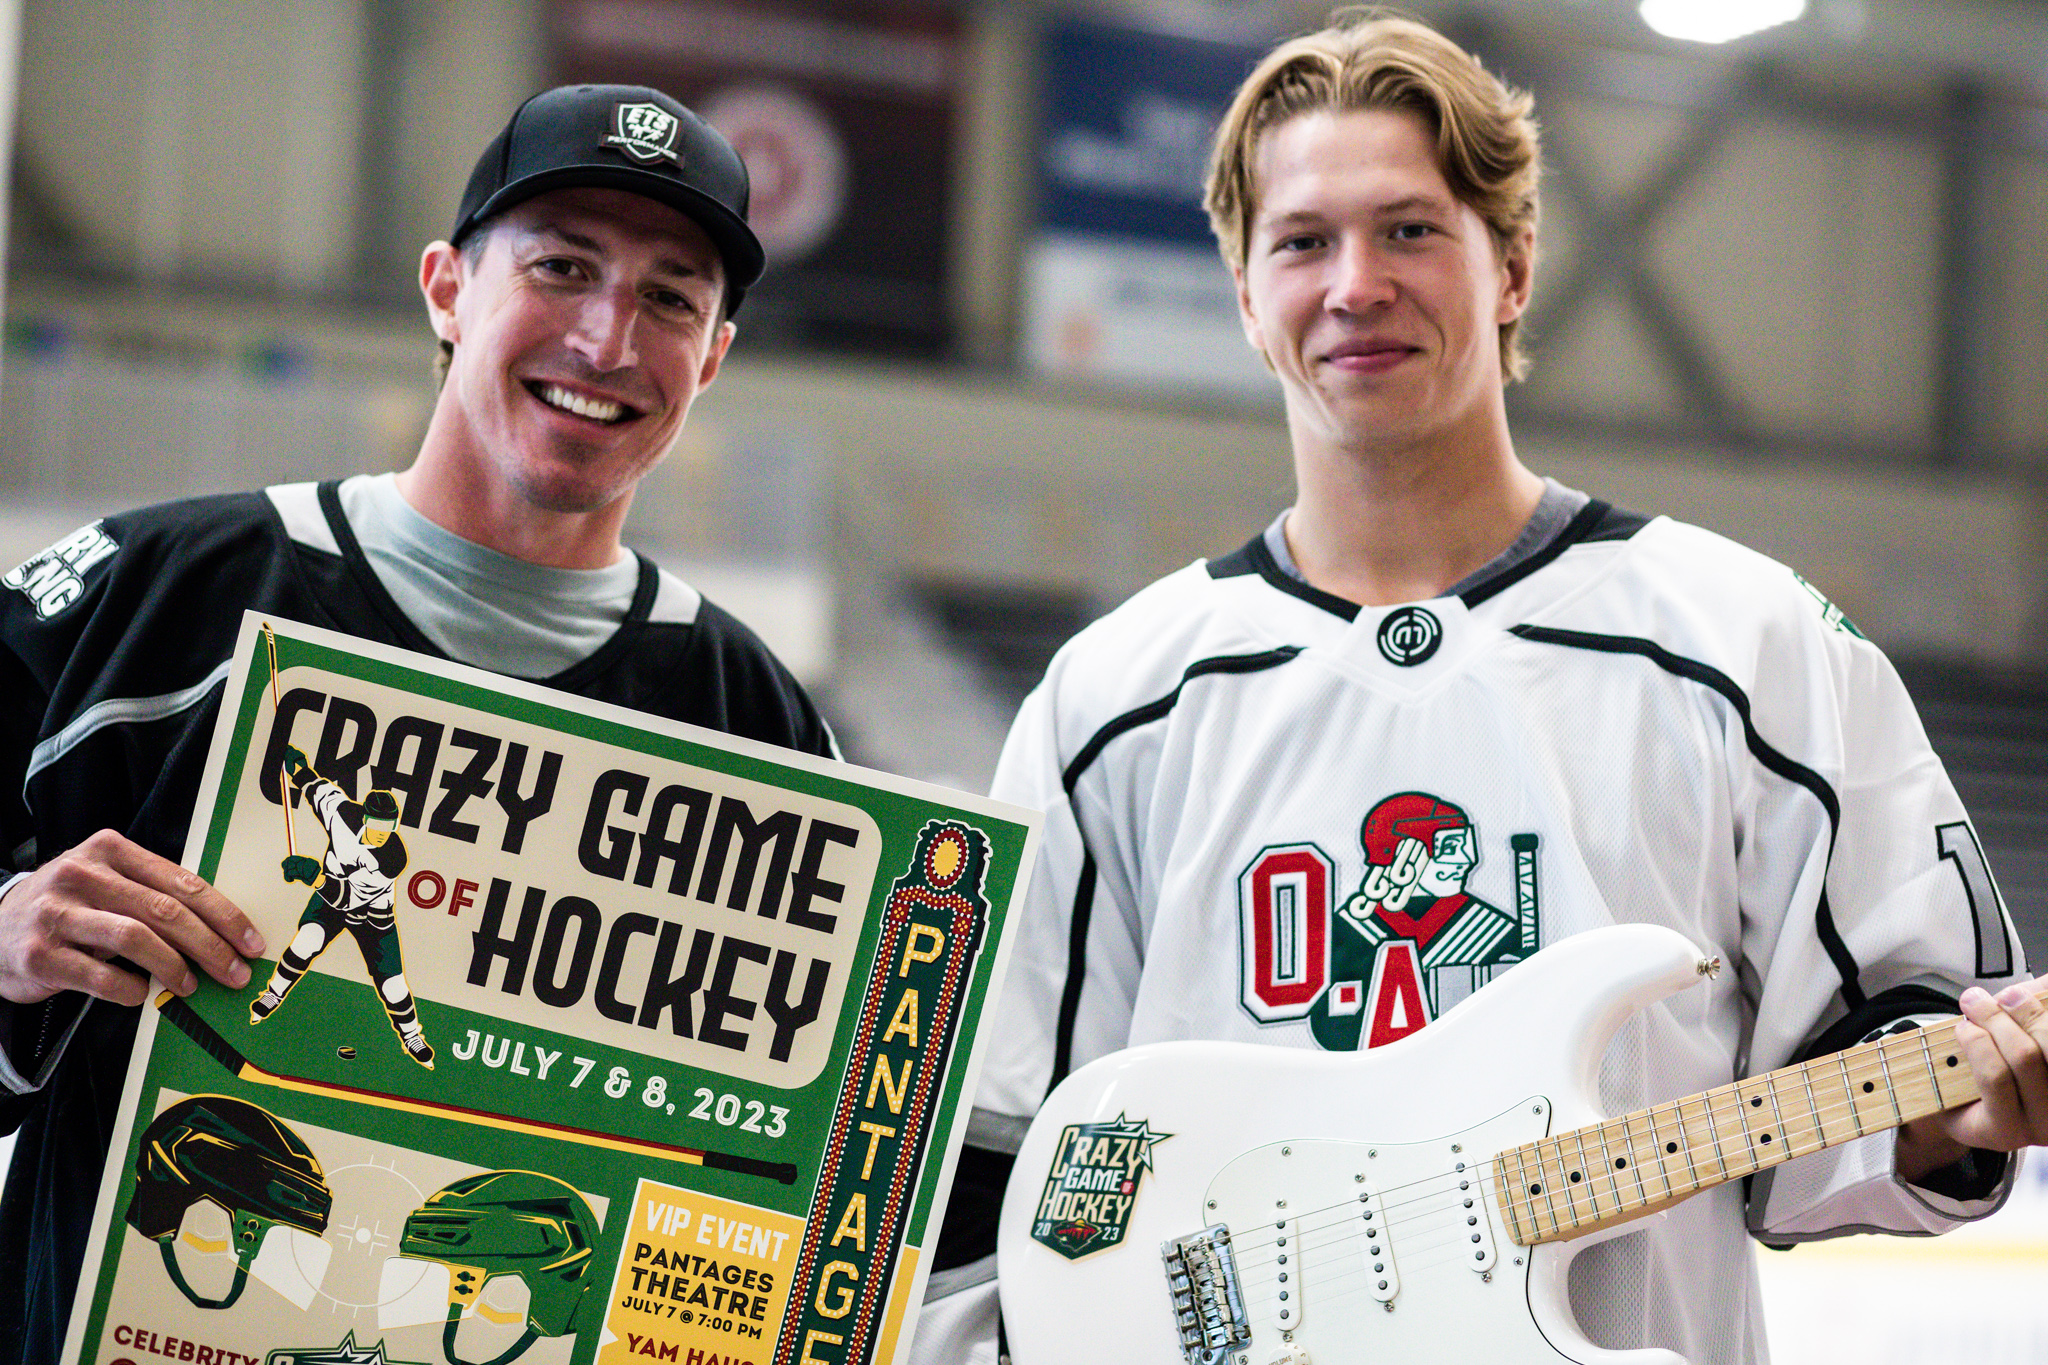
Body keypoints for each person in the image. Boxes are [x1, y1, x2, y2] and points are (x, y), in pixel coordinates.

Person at [914, 15, 2048, 1365]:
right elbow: (987, 1157)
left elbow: (1876, 1052)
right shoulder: (1113, 700)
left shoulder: (1747, 640)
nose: (1355, 284)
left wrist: (1966, 1099)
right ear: (1241, 293)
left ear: (1511, 267)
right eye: (1302, 242)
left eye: (1409, 231)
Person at [0, 83, 835, 1361]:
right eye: (562, 266)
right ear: (447, 288)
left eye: (671, 297)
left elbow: (791, 1192)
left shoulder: (759, 728)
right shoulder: (139, 599)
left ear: (712, 356)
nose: (609, 339)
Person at [250, 746, 430, 1068]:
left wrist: (312, 875)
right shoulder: (341, 814)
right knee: (307, 940)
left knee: (392, 984)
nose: (381, 836)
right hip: (328, 897)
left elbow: (350, 900)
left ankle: (410, 1035)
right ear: (364, 818)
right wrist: (300, 770)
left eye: (388, 831)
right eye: (377, 828)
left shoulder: (391, 859)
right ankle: (273, 993)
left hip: (372, 915)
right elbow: (320, 791)